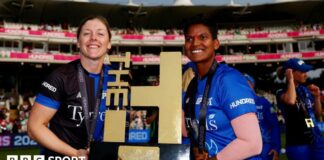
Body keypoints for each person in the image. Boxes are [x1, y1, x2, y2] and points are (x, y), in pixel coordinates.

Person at [27, 15, 115, 159]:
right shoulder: (60, 77)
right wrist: (76, 154)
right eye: (86, 33)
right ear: (78, 43)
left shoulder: (117, 79)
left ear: (109, 43)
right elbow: (34, 128)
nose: (93, 38)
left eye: (100, 33)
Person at [182, 17, 262, 160]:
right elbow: (187, 131)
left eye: (203, 37)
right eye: (189, 39)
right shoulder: (192, 84)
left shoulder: (229, 80)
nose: (194, 43)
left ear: (216, 43)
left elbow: (252, 144)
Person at [276, 58, 323, 160]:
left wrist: (317, 97)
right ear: (291, 73)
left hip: (315, 138)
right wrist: (290, 80)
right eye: (302, 72)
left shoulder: (305, 89)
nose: (306, 74)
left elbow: (318, 113)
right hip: (297, 143)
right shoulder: (281, 92)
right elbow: (291, 100)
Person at [244, 74, 281, 160]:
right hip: (245, 148)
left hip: (265, 148)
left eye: (245, 82)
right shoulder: (235, 104)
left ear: (252, 84)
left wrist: (276, 147)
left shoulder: (263, 102)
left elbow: (274, 125)